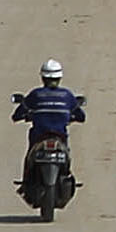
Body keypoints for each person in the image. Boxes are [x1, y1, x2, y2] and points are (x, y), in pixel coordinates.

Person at [13, 58, 85, 203]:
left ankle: (26, 182)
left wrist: (23, 114)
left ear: (43, 77)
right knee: (66, 156)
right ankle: (66, 173)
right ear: (59, 78)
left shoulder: (35, 94)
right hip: (60, 136)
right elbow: (81, 116)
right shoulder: (67, 95)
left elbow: (17, 115)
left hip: (39, 136)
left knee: (29, 156)